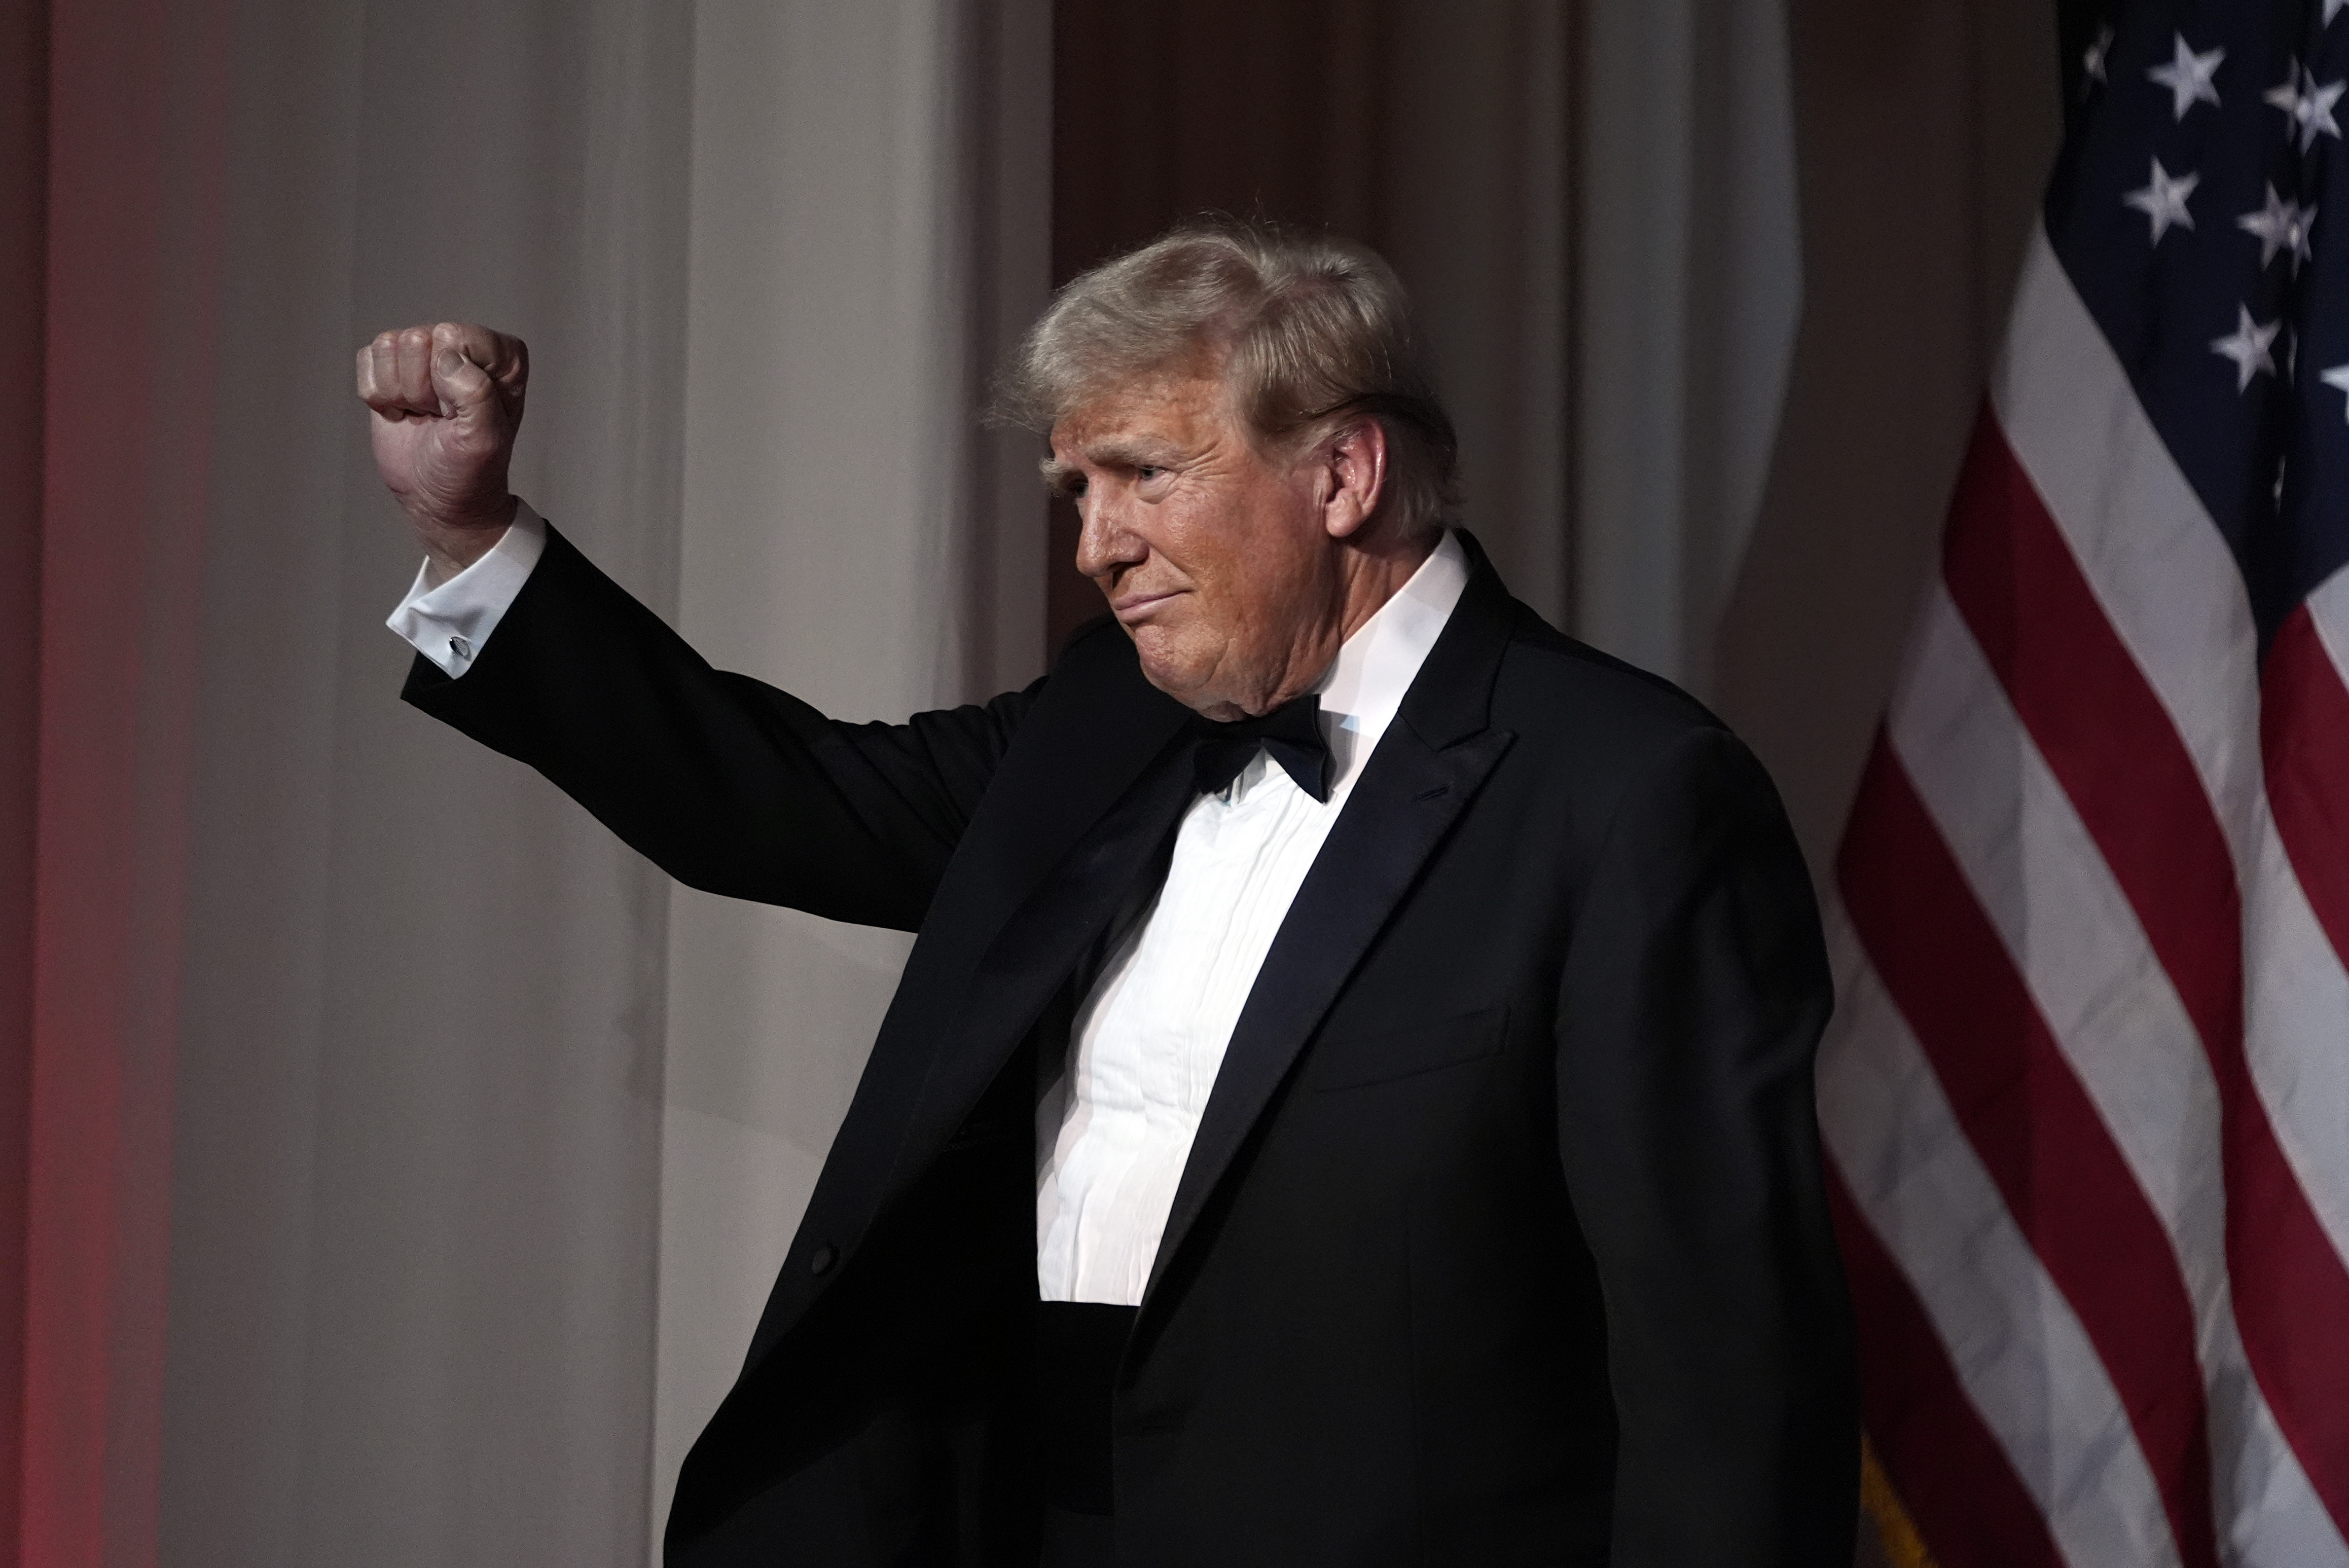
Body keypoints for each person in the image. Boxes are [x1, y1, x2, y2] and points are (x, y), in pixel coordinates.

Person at [358, 221, 1856, 1568]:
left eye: (1145, 472)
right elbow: (779, 801)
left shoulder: (1626, 787)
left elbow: (1722, 1363)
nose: (1095, 544)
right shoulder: (1105, 721)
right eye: (1078, 488)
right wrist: (473, 538)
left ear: (1342, 474)